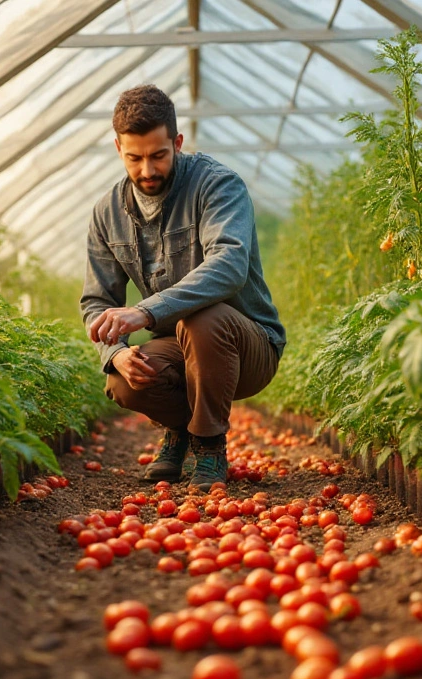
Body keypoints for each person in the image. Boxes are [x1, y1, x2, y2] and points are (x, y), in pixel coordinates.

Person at [80, 85, 286, 490]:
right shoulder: (107, 214)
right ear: (118, 147)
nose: (147, 170)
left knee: (202, 317)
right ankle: (178, 431)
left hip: (247, 347)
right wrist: (115, 353)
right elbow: (96, 302)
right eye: (134, 158)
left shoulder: (217, 185)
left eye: (158, 155)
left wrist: (145, 311)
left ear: (177, 142)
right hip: (180, 347)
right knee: (123, 381)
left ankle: (209, 445)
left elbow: (228, 267)